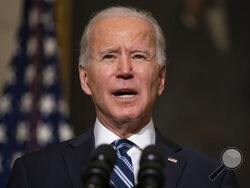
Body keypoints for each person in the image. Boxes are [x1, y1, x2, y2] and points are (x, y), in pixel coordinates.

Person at [7, 6, 239, 188]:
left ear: (160, 78)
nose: (125, 70)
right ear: (85, 78)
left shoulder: (211, 178)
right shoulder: (35, 174)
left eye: (138, 56)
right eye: (109, 56)